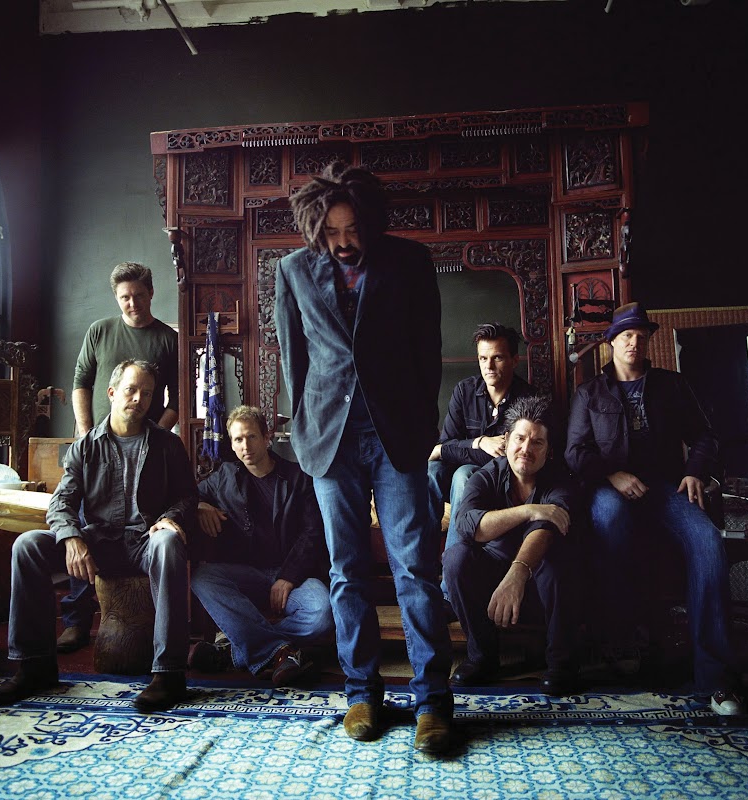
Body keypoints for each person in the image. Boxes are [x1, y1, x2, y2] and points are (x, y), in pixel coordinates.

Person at [275, 162, 453, 752]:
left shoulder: (410, 260)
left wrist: (421, 424)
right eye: (332, 232)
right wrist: (306, 429)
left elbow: (428, 349)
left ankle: (432, 702)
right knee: (346, 570)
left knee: (415, 569)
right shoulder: (292, 271)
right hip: (330, 442)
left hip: (396, 438)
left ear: (370, 221)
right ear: (315, 228)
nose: (344, 241)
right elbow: (294, 361)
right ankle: (362, 694)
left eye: (352, 229)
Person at [0, 360, 197, 713]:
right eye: (131, 390)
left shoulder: (167, 444)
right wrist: (72, 538)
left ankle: (169, 673)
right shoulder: (85, 446)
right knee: (28, 545)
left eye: (147, 393)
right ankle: (34, 665)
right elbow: (62, 503)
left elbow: (188, 496)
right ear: (112, 393)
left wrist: (170, 518)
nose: (139, 399)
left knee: (168, 542)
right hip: (99, 541)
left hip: (145, 541)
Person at [565, 302, 743, 715]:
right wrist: (613, 475)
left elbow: (705, 436)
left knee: (708, 541)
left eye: (641, 336)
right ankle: (625, 639)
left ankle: (716, 679)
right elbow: (575, 453)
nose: (634, 342)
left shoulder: (671, 385)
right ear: (611, 342)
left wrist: (696, 471)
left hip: (664, 488)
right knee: (610, 517)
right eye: (626, 335)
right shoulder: (589, 393)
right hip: (609, 488)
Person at [61, 262, 179, 654]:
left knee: (146, 529)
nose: (132, 303)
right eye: (125, 297)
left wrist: (156, 432)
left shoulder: (167, 339)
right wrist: (84, 431)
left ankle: (161, 635)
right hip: (97, 446)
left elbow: (178, 399)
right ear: (117, 297)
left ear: (151, 293)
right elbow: (81, 381)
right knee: (85, 527)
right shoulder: (100, 331)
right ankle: (76, 622)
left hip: (144, 447)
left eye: (139, 296)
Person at [188, 405, 334, 685]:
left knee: (322, 614)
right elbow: (187, 496)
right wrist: (200, 505)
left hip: (293, 576)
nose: (246, 446)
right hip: (246, 575)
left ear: (266, 437)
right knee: (203, 577)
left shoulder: (298, 477)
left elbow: (312, 533)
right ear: (232, 445)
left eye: (252, 436)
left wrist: (288, 577)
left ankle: (234, 651)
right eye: (238, 439)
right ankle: (280, 652)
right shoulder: (224, 477)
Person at [443, 395, 580, 696]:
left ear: (549, 451)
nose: (526, 449)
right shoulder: (486, 475)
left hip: (541, 587)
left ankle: (561, 664)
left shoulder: (561, 479)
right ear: (506, 440)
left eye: (537, 442)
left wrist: (518, 572)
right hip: (493, 587)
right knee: (456, 558)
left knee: (558, 564)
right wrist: (528, 510)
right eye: (520, 438)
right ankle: (482, 658)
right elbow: (469, 526)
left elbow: (547, 529)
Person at [428, 322, 534, 600]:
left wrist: (456, 450)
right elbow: (446, 445)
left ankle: (450, 588)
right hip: (461, 476)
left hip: (499, 482)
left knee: (464, 474)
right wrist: (479, 442)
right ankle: (422, 569)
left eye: (497, 358)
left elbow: (508, 458)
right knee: (432, 470)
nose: (488, 366)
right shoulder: (465, 391)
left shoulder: (527, 399)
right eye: (483, 358)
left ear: (514, 360)